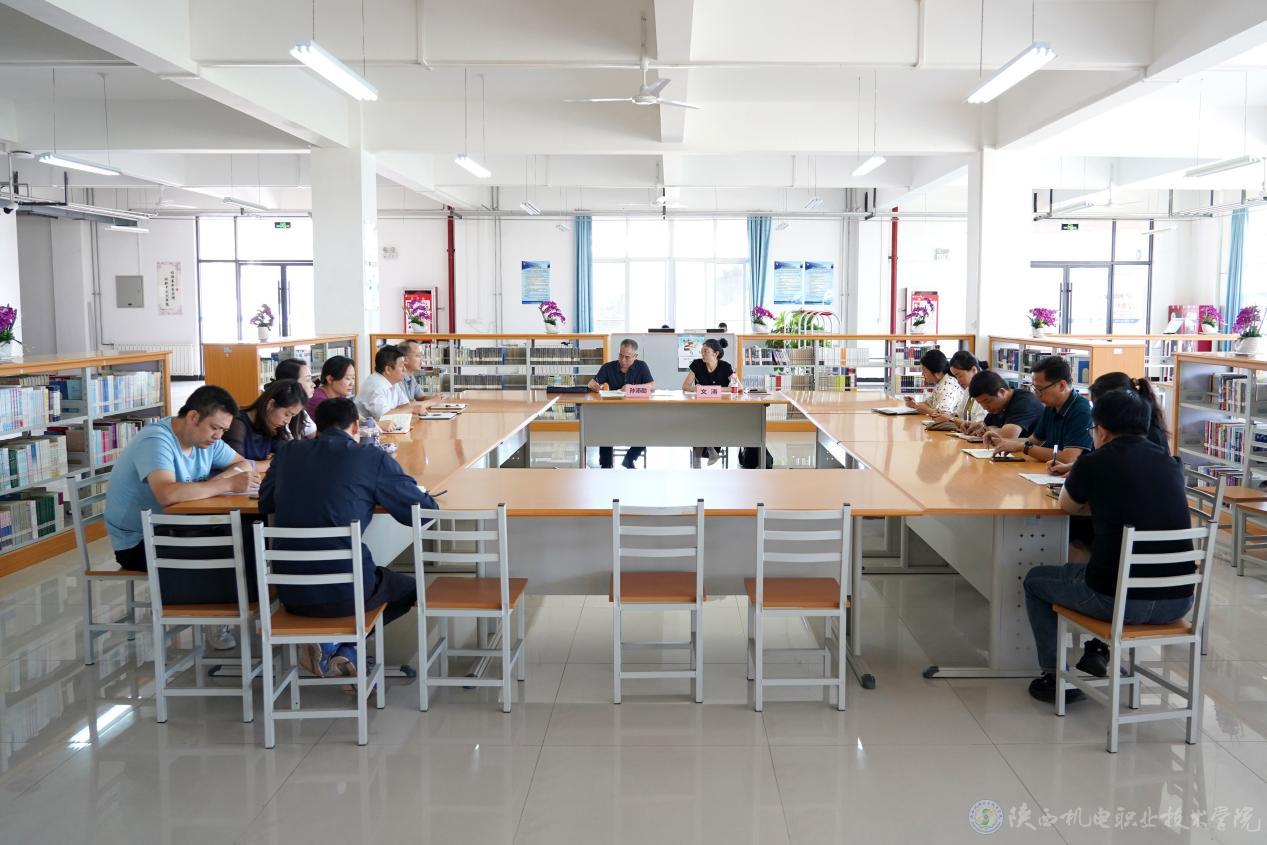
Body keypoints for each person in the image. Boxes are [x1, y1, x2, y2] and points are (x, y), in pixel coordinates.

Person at [1021, 389, 1196, 703]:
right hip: (1178, 600)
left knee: (1035, 580)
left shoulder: (1093, 462)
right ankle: (1098, 653)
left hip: (1117, 601)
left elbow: (1068, 506)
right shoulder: (1171, 462)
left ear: (1100, 430)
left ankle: (1054, 676)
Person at [259, 397, 437, 680]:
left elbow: (265, 502)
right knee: (408, 589)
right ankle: (343, 646)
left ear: (318, 426)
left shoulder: (288, 453)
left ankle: (334, 647)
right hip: (348, 592)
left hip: (290, 592)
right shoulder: (370, 457)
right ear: (356, 426)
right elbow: (422, 513)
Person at [105, 385, 258, 650]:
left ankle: (241, 609)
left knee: (248, 533)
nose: (218, 436)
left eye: (223, 430)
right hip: (139, 542)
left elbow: (241, 463)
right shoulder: (156, 440)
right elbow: (167, 494)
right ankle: (217, 617)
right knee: (233, 545)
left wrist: (221, 480)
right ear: (193, 417)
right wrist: (225, 485)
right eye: (215, 428)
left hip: (175, 527)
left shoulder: (205, 441)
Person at [983, 355, 1093, 465]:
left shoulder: (1082, 410)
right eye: (1034, 388)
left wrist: (1022, 447)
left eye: (1039, 389)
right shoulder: (1051, 406)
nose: (1036, 395)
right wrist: (1002, 441)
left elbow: (1068, 458)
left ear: (1061, 386)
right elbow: (1033, 440)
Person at [587, 338, 655, 469]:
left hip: (636, 412)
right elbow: (591, 383)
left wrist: (631, 388)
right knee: (604, 427)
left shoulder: (641, 366)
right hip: (613, 412)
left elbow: (652, 386)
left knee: (648, 428)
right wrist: (595, 386)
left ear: (635, 356)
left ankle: (629, 458)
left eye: (627, 357)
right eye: (620, 355)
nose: (623, 360)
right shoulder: (608, 367)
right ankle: (606, 464)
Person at [681, 337, 735, 465]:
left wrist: (714, 390)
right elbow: (685, 386)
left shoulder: (725, 366)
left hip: (721, 409)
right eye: (702, 351)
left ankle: (700, 457)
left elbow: (737, 387)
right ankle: (707, 453)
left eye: (706, 351)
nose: (702, 354)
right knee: (699, 421)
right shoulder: (697, 364)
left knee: (706, 423)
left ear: (716, 353)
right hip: (701, 408)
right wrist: (695, 388)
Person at [223, 379, 306, 460]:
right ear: (271, 404)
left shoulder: (273, 425)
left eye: (292, 416)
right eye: (287, 414)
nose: (287, 421)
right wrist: (272, 461)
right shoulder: (236, 424)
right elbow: (237, 465)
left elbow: (290, 456)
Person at [962, 371, 1044, 439]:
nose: (985, 407)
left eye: (987, 401)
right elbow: (986, 426)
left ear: (1002, 392)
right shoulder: (998, 406)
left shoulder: (1024, 402)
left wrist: (990, 429)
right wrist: (977, 426)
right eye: (980, 403)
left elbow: (1007, 437)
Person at [355, 346, 412, 431]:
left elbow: (406, 406)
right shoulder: (375, 385)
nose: (404, 369)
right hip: (365, 434)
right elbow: (385, 417)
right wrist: (411, 409)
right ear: (388, 369)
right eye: (401, 366)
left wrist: (401, 410)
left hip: (382, 431)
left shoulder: (393, 381)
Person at [929, 350, 988, 427]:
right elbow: (958, 415)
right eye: (956, 377)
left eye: (960, 376)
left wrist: (950, 419)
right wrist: (945, 415)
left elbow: (979, 425)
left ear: (974, 370)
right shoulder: (968, 390)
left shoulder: (985, 391)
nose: (958, 381)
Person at [904, 348, 964, 418]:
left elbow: (945, 415)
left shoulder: (948, 386)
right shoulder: (941, 382)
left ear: (937, 372)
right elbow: (930, 403)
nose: (922, 374)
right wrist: (914, 404)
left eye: (924, 370)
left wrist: (927, 410)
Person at [274, 358, 317, 437]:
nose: (313, 385)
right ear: (291, 383)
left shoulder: (299, 409)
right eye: (308, 380)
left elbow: (313, 434)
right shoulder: (278, 411)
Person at [306, 355, 356, 420]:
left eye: (353, 378)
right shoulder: (319, 401)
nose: (352, 383)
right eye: (348, 378)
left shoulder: (340, 395)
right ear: (330, 379)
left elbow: (353, 416)